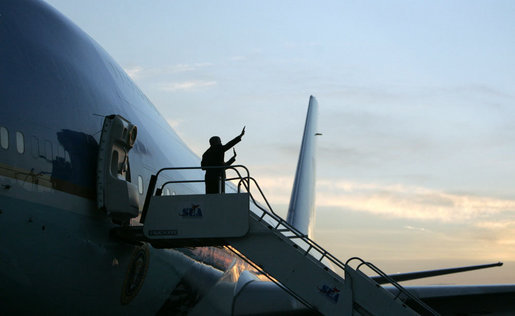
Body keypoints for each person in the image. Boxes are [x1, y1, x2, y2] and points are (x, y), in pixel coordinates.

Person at [201, 127, 245, 194]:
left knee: (210, 196)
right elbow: (229, 144)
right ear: (215, 142)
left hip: (209, 178)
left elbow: (203, 167)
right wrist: (240, 136)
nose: (221, 143)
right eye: (220, 141)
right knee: (219, 195)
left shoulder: (205, 154)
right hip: (218, 177)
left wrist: (232, 159)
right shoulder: (219, 149)